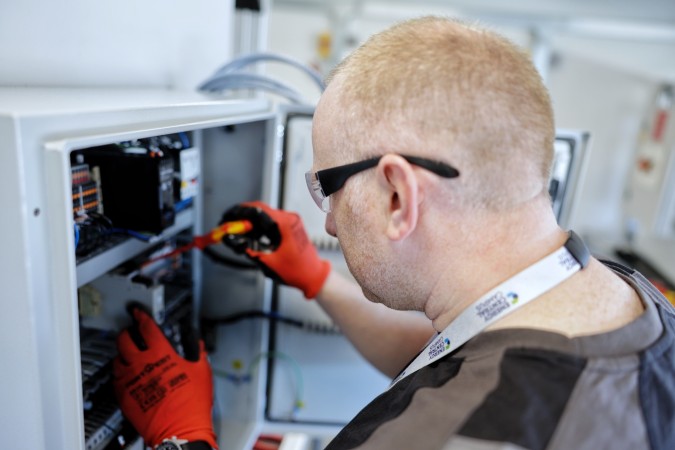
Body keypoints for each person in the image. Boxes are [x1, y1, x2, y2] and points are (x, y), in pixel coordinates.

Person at [113, 16, 675, 450]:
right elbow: (455, 354)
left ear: (398, 196)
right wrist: (317, 279)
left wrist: (184, 438)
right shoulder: (626, 299)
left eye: (328, 190)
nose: (329, 221)